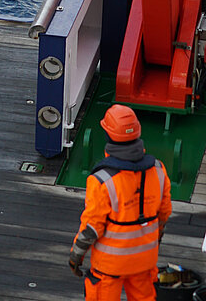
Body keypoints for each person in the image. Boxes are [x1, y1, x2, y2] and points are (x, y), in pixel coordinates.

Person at [69, 104, 172, 301]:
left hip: (109, 266)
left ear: (108, 135)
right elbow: (164, 213)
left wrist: (76, 255)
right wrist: (155, 240)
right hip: (145, 260)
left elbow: (92, 227)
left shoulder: (101, 180)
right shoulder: (158, 170)